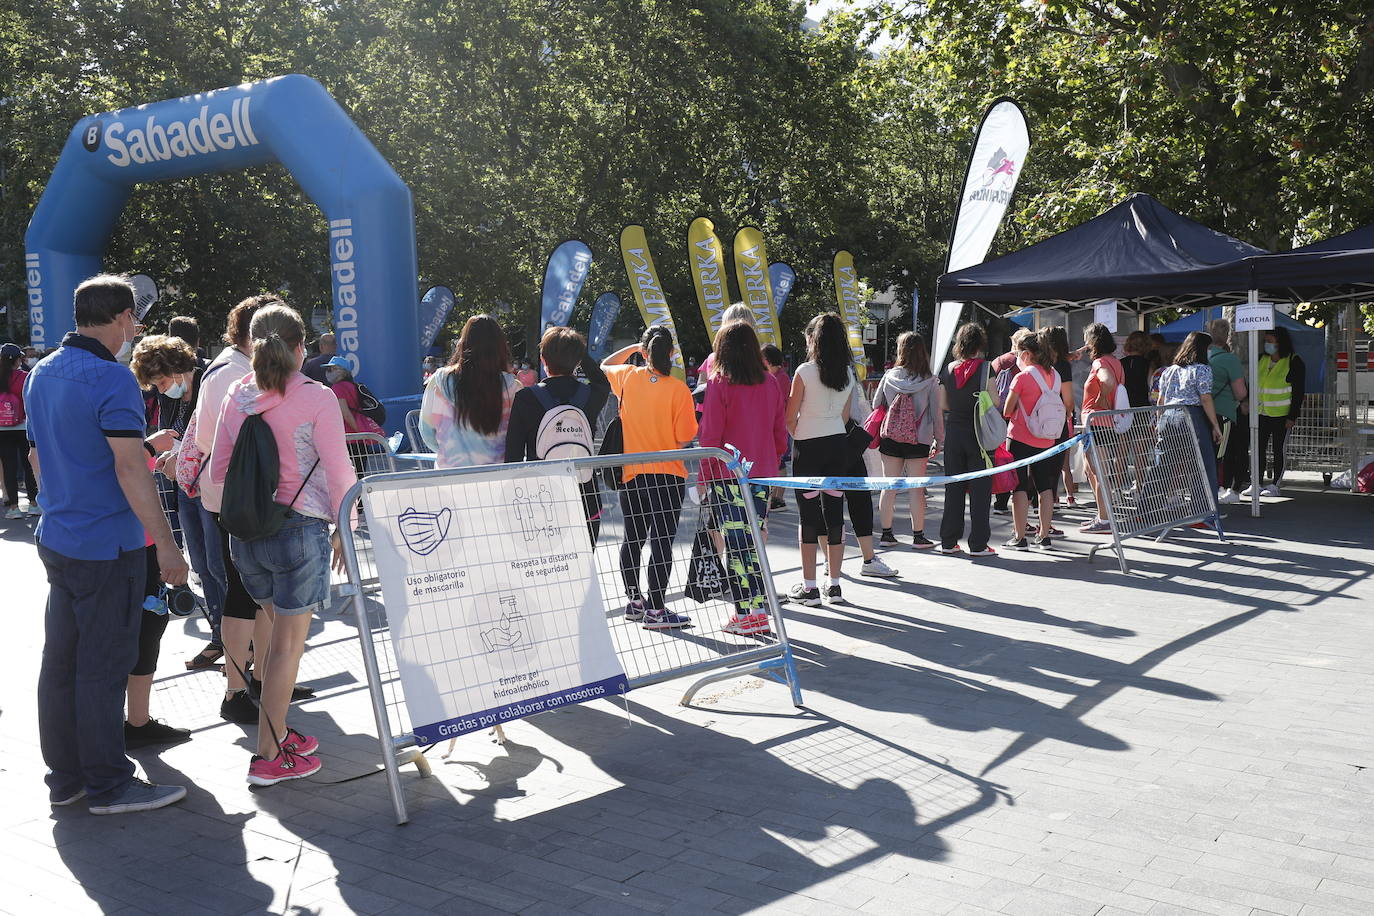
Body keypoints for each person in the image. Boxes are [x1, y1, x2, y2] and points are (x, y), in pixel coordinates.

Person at [26, 273, 190, 815]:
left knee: (61, 664)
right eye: (134, 321)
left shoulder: (41, 373)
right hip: (107, 546)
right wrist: (166, 545)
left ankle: (67, 779)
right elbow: (129, 468)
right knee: (101, 667)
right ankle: (108, 785)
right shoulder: (111, 378)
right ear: (121, 318)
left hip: (59, 536)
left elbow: (40, 457)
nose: (135, 331)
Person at [210, 304, 355, 785]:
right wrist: (345, 527)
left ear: (251, 345)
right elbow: (339, 472)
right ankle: (268, 755)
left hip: (247, 537)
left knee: (275, 645)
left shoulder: (237, 393)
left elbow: (219, 469)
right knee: (286, 651)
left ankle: (277, 731)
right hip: (300, 531)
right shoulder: (317, 396)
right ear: (300, 348)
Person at [182, 294, 283, 712]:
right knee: (243, 594)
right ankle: (237, 692)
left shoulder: (239, 368)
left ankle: (260, 681)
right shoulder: (231, 372)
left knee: (256, 593)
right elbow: (211, 439)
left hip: (245, 498)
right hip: (234, 500)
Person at [602, 327, 698, 629]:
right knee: (661, 542)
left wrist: (634, 347)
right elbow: (684, 437)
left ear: (644, 352)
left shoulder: (628, 377)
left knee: (633, 538)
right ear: (671, 353)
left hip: (632, 473)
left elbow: (604, 365)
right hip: (668, 475)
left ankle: (634, 601)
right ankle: (657, 609)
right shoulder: (679, 389)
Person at [697, 320, 787, 635]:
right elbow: (780, 431)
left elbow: (710, 435)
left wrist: (703, 475)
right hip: (760, 473)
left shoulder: (719, 383)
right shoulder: (769, 382)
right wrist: (773, 458)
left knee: (736, 545)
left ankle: (746, 613)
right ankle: (758, 610)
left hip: (728, 474)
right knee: (753, 543)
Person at [505, 326, 610, 539]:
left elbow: (513, 456)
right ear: (578, 361)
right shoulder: (591, 395)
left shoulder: (526, 398)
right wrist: (580, 353)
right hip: (585, 498)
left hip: (542, 501)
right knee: (584, 570)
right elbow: (601, 380)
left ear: (543, 359)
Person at [785, 314, 854, 606]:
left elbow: (789, 417)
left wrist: (801, 434)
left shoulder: (804, 371)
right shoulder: (849, 374)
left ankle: (810, 586)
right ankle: (834, 584)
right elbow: (846, 416)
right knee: (835, 513)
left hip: (807, 447)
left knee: (808, 516)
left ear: (814, 339)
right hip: (837, 444)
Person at [421, 315, 520, 469]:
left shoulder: (438, 381)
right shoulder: (513, 387)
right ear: (500, 346)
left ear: (463, 343)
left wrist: (448, 450)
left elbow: (427, 432)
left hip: (449, 474)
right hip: (497, 475)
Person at [874, 331, 943, 549]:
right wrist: (939, 440)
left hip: (891, 438)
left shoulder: (889, 376)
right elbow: (936, 414)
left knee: (889, 486)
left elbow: (877, 404)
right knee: (916, 489)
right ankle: (918, 536)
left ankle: (886, 534)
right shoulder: (930, 381)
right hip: (919, 439)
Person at [1151, 331, 1222, 524]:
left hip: (1168, 417)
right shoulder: (1202, 369)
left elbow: (1160, 400)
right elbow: (1205, 398)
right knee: (1203, 466)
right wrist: (1215, 425)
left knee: (1162, 466)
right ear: (1203, 349)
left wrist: (1159, 422)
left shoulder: (1169, 370)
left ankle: (1147, 510)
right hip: (1192, 417)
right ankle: (1203, 514)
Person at [937, 323, 995, 557]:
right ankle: (978, 544)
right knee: (981, 491)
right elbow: (995, 401)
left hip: (954, 433)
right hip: (979, 435)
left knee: (954, 488)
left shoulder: (948, 369)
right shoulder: (987, 368)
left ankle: (949, 541)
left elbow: (943, 405)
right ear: (980, 344)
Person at [1002, 330, 1061, 550]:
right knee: (1045, 487)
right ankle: (1044, 536)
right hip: (1046, 439)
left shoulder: (1022, 377)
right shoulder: (1054, 375)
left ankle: (1019, 537)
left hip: (1019, 438)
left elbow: (1007, 410)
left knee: (1019, 487)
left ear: (1026, 354)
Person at [1245, 326, 1305, 497]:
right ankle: (1255, 483)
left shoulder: (1294, 361)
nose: (1267, 344)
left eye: (1270, 341)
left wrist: (1292, 416)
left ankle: (1275, 485)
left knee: (1279, 450)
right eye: (1266, 341)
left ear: (1281, 343)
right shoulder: (1260, 359)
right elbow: (1253, 385)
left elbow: (1298, 392)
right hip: (1260, 413)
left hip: (1282, 415)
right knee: (1257, 449)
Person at [1078, 323, 1126, 535]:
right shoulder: (1115, 361)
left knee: (1099, 473)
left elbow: (1107, 382)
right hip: (1106, 423)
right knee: (1096, 471)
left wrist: (1100, 399)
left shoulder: (1100, 363)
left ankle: (1105, 519)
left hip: (1098, 424)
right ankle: (1102, 515)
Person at [1207, 318, 1249, 504]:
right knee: (1220, 456)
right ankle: (1212, 499)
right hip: (1223, 414)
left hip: (1201, 414)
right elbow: (1241, 393)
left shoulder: (1201, 357)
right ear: (1227, 336)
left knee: (1205, 454)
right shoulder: (1229, 360)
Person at [1, 342, 40, 519]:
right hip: (23, 426)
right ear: (18, 360)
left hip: (2, 428)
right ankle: (33, 504)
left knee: (8, 467)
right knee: (28, 464)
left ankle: (14, 508)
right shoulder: (25, 376)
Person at [1042, 325, 1077, 516]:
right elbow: (1069, 400)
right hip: (1057, 421)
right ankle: (1053, 500)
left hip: (1038, 420)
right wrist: (1067, 414)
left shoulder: (1040, 364)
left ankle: (1043, 503)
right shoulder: (1063, 366)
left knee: (1040, 465)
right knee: (1056, 464)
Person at [761, 344, 792, 511]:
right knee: (776, 463)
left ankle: (778, 497)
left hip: (779, 426)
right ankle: (774, 496)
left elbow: (776, 404)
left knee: (779, 463)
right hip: (774, 426)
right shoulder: (776, 376)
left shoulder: (780, 378)